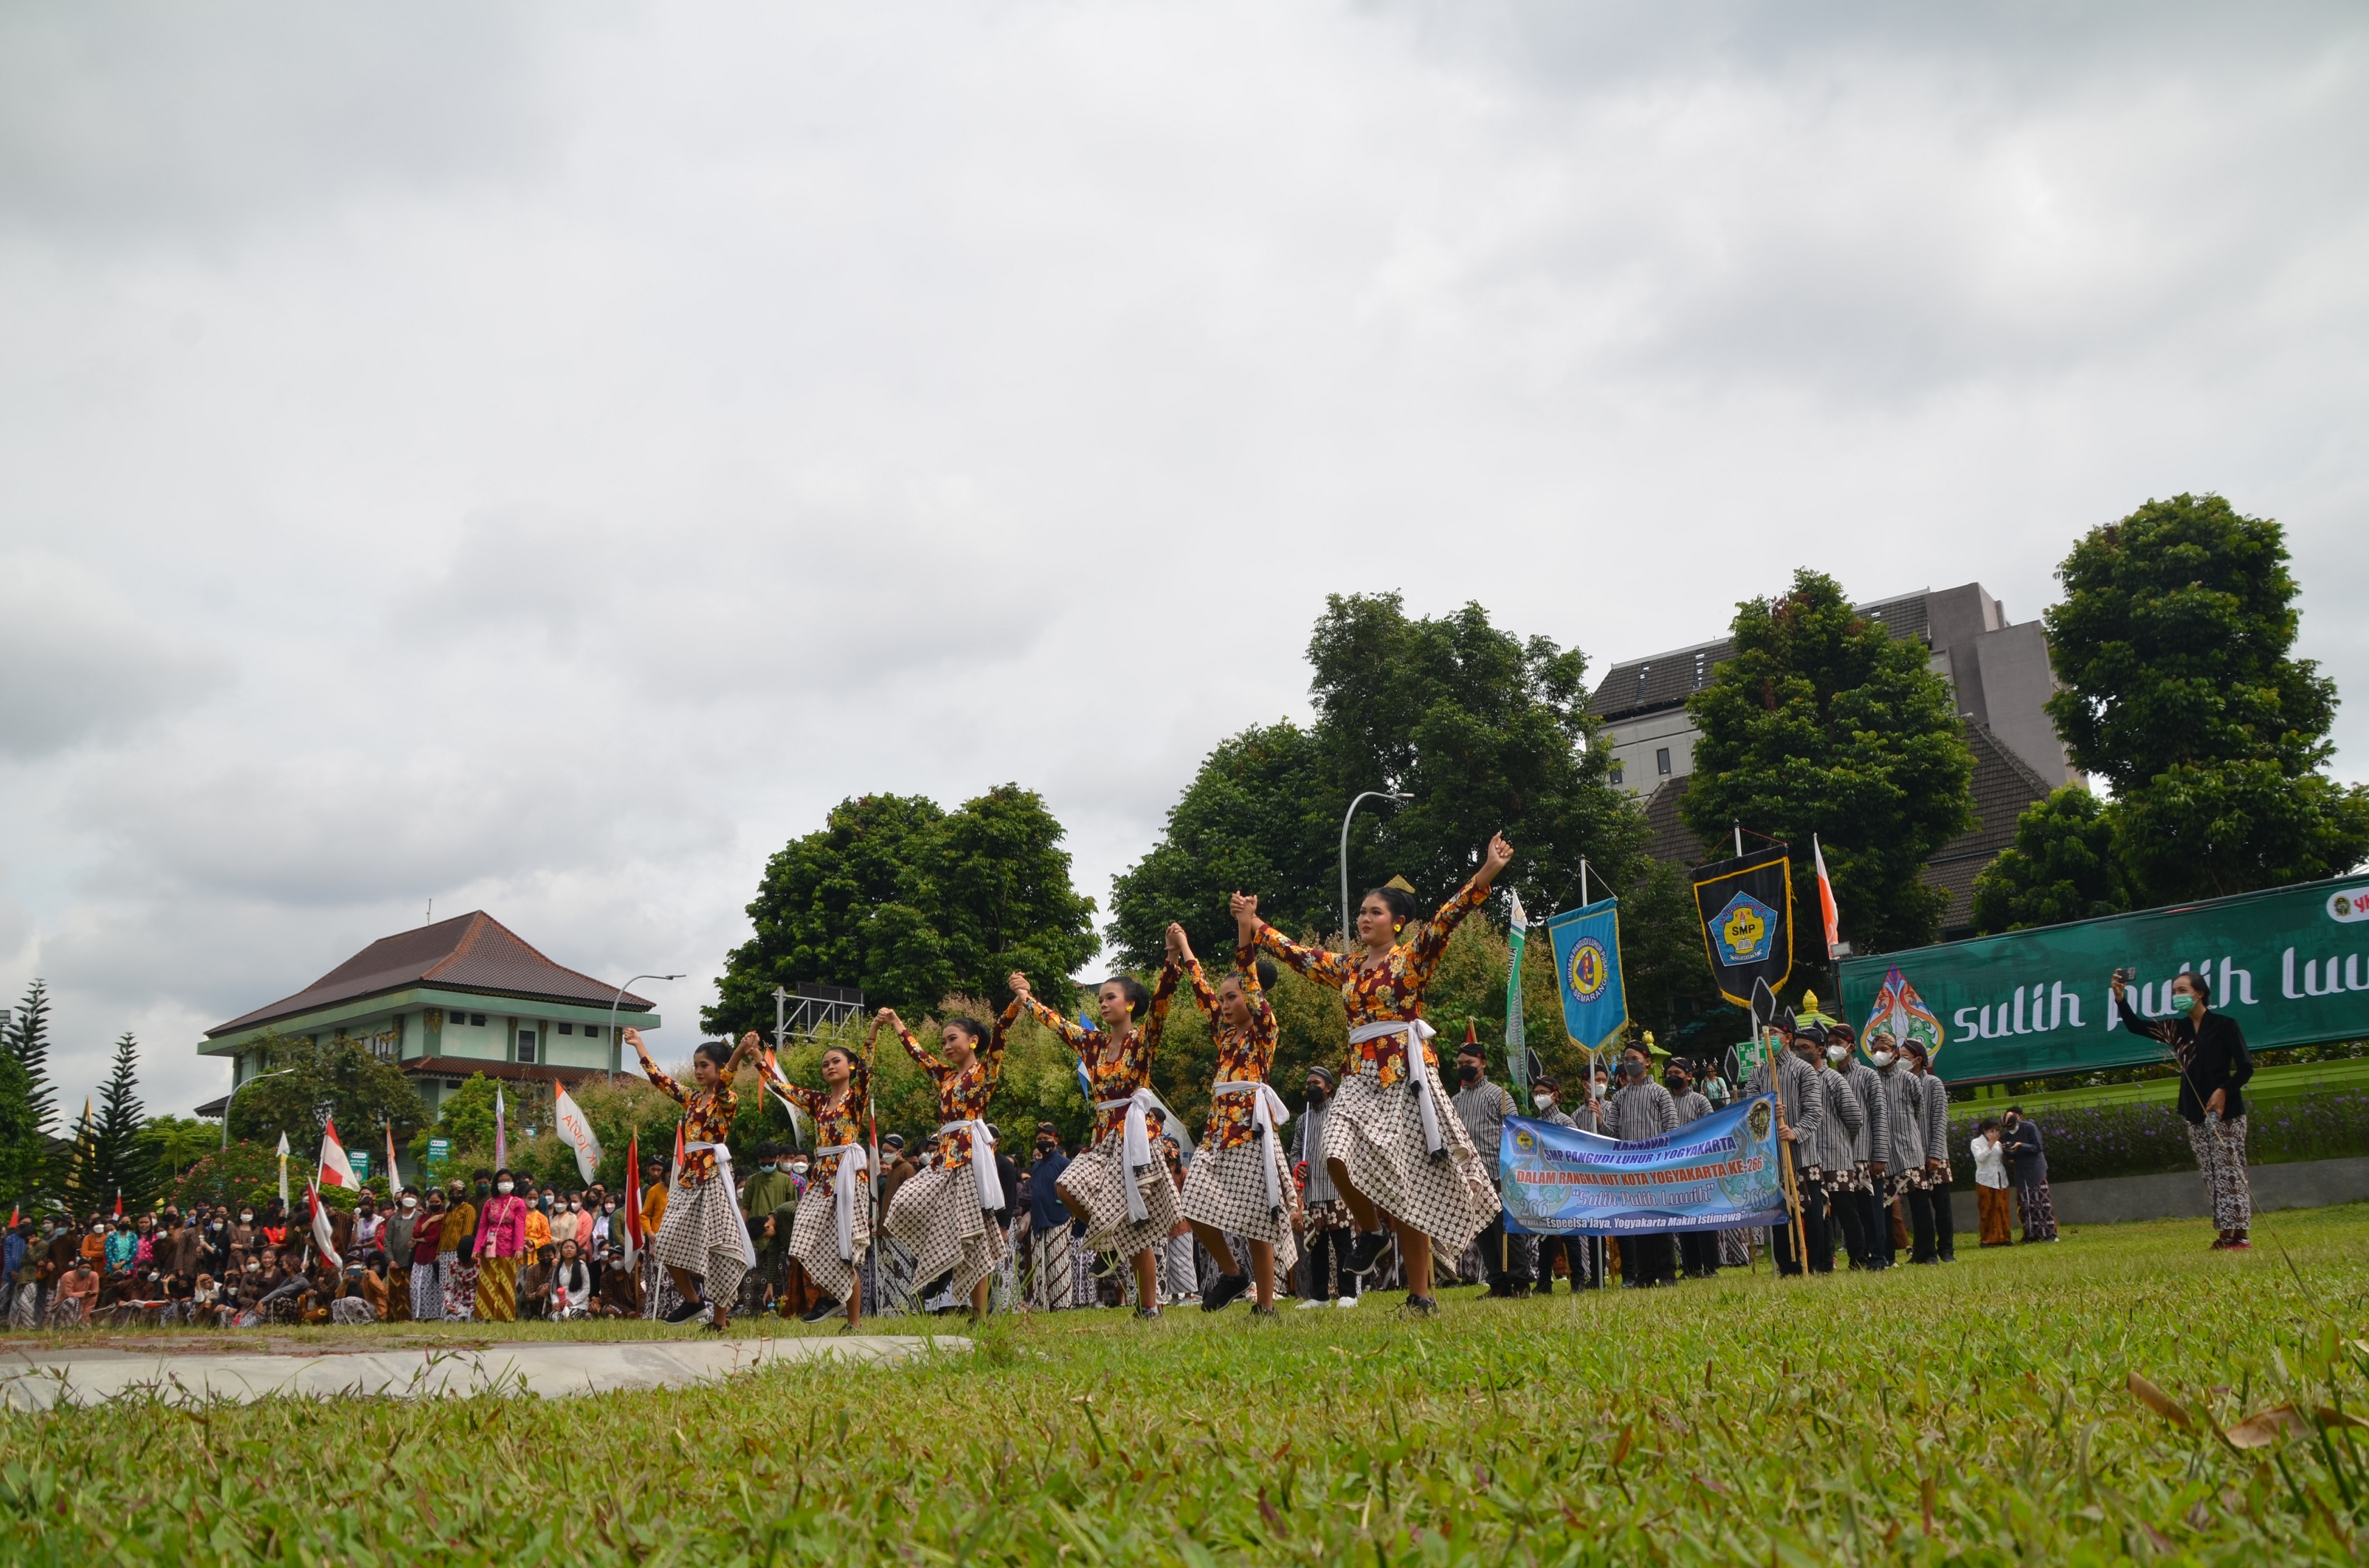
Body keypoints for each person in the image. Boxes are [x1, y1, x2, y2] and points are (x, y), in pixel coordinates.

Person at [1235, 832, 1513, 1316]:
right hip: (1361, 1074)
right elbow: (1298, 953)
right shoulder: (1346, 968)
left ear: (1398, 922)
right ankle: (1372, 1230)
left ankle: (1421, 1296)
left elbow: (1450, 915)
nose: (1364, 918)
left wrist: (1487, 870)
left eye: (1375, 912)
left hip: (1407, 1076)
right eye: (1362, 911)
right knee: (1331, 1151)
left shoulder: (1413, 956)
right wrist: (1252, 922)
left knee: (1413, 1187)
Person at [1012, 955, 1181, 1322]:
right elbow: (1056, 1024)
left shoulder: (1142, 1041)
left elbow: (1164, 1004)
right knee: (1066, 1185)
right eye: (1100, 999)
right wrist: (1026, 998)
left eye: (1111, 998)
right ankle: (1109, 1244)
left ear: (1130, 1004)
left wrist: (1170, 959)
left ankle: (1149, 1308)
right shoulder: (1092, 1044)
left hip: (1137, 1141)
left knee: (1138, 1228)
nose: (1103, 1004)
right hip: (1103, 1139)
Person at [1169, 925, 1300, 1317]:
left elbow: (1252, 986)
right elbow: (1201, 992)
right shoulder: (1225, 1036)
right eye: (1223, 998)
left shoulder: (1264, 1032)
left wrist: (1244, 930)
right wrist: (1185, 947)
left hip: (1251, 1131)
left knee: (1259, 1222)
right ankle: (1232, 1272)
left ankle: (1265, 1305)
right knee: (1191, 1205)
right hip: (1216, 1135)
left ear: (1252, 996)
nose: (1224, 1004)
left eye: (1233, 997)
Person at [882, 1003, 1017, 1322]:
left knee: (975, 1238)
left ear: (972, 1041)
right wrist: (897, 1021)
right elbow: (918, 1054)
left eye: (952, 1039)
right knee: (905, 1202)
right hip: (943, 1159)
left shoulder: (984, 1072)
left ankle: (978, 1315)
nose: (945, 1047)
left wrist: (1016, 1003)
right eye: (943, 1042)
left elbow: (999, 1037)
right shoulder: (944, 1076)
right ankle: (943, 1266)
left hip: (971, 1158)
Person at [2113, 968, 2253, 1249]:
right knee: (2211, 1173)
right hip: (2195, 1110)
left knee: (2230, 1171)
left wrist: (2224, 1090)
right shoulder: (2177, 1029)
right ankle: (2224, 1233)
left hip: (2226, 1111)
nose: (2177, 996)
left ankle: (2240, 1236)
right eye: (2174, 992)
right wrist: (2120, 999)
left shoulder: (2225, 1025)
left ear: (2199, 993)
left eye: (2182, 991)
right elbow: (2137, 1026)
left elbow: (2246, 1067)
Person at [631, 1027, 762, 1328]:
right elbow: (660, 1080)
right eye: (696, 1065)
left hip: (714, 1178)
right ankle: (693, 1302)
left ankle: (719, 1320)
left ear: (718, 1066)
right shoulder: (691, 1099)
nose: (698, 1071)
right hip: (688, 1179)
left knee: (719, 1249)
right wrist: (640, 1045)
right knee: (665, 1242)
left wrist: (740, 1051)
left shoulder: (726, 1100)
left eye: (705, 1065)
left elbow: (727, 1079)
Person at [771, 1041, 874, 1329]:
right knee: (805, 1235)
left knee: (845, 1252)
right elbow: (784, 1089)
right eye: (825, 1064)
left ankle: (853, 1322)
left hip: (849, 1178)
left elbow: (867, 1069)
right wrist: (757, 1056)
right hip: (822, 1178)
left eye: (836, 1061)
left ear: (850, 1066)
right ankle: (829, 1296)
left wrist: (875, 1030)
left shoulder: (855, 1098)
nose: (829, 1066)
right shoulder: (818, 1101)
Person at [1447, 1030, 1529, 1297]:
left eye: (1468, 1064)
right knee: (1483, 1233)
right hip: (1472, 1179)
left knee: (1507, 1234)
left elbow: (1516, 1132)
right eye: (1460, 1065)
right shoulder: (1455, 1101)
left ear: (1482, 1064)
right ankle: (1498, 1285)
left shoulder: (1499, 1095)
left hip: (1499, 1173)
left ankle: (1520, 1284)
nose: (1464, 1068)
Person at [1743, 1018, 1827, 1276]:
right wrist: (1766, 1112)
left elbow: (1815, 1111)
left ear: (1788, 1037)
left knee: (1810, 1212)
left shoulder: (1803, 1070)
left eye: (1774, 1033)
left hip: (1802, 1154)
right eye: (1765, 1034)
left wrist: (1794, 1132)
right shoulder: (1758, 1074)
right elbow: (1749, 1112)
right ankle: (1786, 1264)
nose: (1768, 1038)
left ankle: (1814, 1263)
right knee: (1779, 1213)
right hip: (1771, 1156)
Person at [1604, 1042, 1679, 1287]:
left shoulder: (1660, 1093)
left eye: (1634, 1058)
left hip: (1657, 1166)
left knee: (1661, 1221)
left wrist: (1668, 1159)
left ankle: (1667, 1273)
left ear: (1647, 1062)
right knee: (1639, 1222)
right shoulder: (1619, 1097)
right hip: (1631, 1169)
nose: (1629, 1063)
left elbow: (1672, 1129)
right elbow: (1611, 1133)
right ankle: (1645, 1274)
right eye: (1626, 1059)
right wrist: (1597, 1118)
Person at [1292, 1066, 1359, 1310]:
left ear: (1329, 1087)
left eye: (1316, 1082)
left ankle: (1348, 1294)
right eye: (1308, 1082)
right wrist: (1297, 1166)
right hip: (1313, 1193)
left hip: (1337, 1189)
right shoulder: (1303, 1120)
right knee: (1316, 1246)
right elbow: (1295, 1152)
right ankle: (1319, 1296)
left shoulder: (1340, 1115)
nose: (1311, 1086)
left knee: (1343, 1244)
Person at [1800, 1025, 1865, 1276]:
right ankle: (1824, 1262)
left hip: (1835, 1156)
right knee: (1819, 1214)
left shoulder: (1834, 1079)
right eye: (1797, 1048)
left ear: (1820, 1050)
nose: (1800, 1052)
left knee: (1846, 1211)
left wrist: (1841, 1140)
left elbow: (1854, 1118)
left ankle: (1859, 1258)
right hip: (1810, 1156)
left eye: (1805, 1048)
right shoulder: (1799, 1079)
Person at [1868, 1032, 1935, 1264]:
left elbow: (1919, 1112)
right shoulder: (1870, 1079)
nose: (1879, 1053)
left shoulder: (1910, 1080)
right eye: (1875, 1049)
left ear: (1895, 1053)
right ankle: (1887, 1256)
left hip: (1909, 1150)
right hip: (1882, 1153)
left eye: (1884, 1049)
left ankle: (1926, 1254)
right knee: (1884, 1206)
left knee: (1919, 1204)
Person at [1828, 1023, 1890, 1271]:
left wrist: (1880, 1156)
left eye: (1838, 1043)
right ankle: (1858, 1257)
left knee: (1870, 1210)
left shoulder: (1868, 1075)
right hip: (1838, 1156)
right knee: (1848, 1212)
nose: (1833, 1048)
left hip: (1864, 1154)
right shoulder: (1828, 1077)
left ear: (1851, 1047)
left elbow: (1880, 1116)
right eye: (1830, 1042)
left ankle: (1878, 1258)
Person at [1663, 1060, 1718, 1281]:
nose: (1672, 1076)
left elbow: (1713, 1128)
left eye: (1677, 1072)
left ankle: (1710, 1267)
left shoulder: (1700, 1101)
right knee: (1683, 1218)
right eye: (1669, 1073)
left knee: (1704, 1217)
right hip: (1673, 1169)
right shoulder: (1664, 1101)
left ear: (1689, 1075)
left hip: (1698, 1167)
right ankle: (1691, 1267)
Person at [1906, 1041, 1955, 1261]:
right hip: (1912, 1156)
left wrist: (1935, 1153)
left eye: (1904, 1056)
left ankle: (1946, 1249)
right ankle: (1923, 1250)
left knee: (1942, 1205)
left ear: (1918, 1059)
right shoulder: (1902, 1083)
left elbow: (1940, 1119)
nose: (1899, 1060)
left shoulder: (1933, 1083)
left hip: (1935, 1154)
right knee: (1920, 1208)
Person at [1025, 1124, 1075, 1312]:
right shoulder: (1036, 1167)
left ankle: (1062, 1305)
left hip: (1059, 1219)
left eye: (1046, 1138)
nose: (1042, 1143)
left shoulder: (1065, 1164)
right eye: (1039, 1140)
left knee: (1058, 1263)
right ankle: (1041, 1304)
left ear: (1056, 1140)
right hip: (1039, 1220)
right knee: (1039, 1265)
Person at [473, 1168, 530, 1321]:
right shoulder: (489, 1203)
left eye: (508, 1181)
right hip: (490, 1247)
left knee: (506, 1282)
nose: (505, 1184)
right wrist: (477, 1248)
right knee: (488, 1281)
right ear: (496, 1184)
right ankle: (486, 1316)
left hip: (509, 1248)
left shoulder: (519, 1203)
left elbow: (519, 1226)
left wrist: (518, 1248)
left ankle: (505, 1316)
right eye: (501, 1181)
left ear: (513, 1183)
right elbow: (483, 1227)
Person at [2002, 1107, 2058, 1242]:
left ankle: (2050, 1234)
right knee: (2025, 1204)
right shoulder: (2006, 1135)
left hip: (2036, 1170)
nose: (2010, 1130)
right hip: (2020, 1171)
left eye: (2011, 1126)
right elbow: (2009, 1156)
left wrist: (2021, 1145)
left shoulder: (2030, 1128)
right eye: (2006, 1128)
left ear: (2017, 1121)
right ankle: (2030, 1235)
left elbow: (2038, 1147)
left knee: (2041, 1202)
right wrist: (2008, 1152)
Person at [440, 1177, 480, 1320]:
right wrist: (438, 1253)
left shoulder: (468, 1209)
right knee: (446, 1283)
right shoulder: (449, 1211)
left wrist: (464, 1250)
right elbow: (443, 1233)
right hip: (444, 1251)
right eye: (453, 1192)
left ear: (464, 1193)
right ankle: (447, 1308)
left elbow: (467, 1232)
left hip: (460, 1250)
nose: (456, 1195)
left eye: (459, 1192)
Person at [1971, 1119, 2014, 1246]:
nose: (1995, 1133)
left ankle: (2005, 1238)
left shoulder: (1998, 1144)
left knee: (2002, 1209)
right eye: (1991, 1131)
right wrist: (1990, 1144)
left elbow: (2001, 1159)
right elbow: (1980, 1158)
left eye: (1996, 1131)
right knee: (1988, 1209)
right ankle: (1987, 1239)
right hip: (1985, 1180)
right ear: (1984, 1131)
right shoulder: (1976, 1143)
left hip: (2001, 1179)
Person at [550, 1239, 592, 1320]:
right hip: (561, 1304)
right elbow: (553, 1290)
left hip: (578, 1303)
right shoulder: (557, 1269)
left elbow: (586, 1289)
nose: (569, 1249)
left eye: (572, 1247)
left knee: (568, 1314)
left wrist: (572, 1302)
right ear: (561, 1252)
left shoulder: (582, 1267)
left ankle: (579, 1316)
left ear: (576, 1252)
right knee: (552, 1316)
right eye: (566, 1247)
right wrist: (555, 1302)